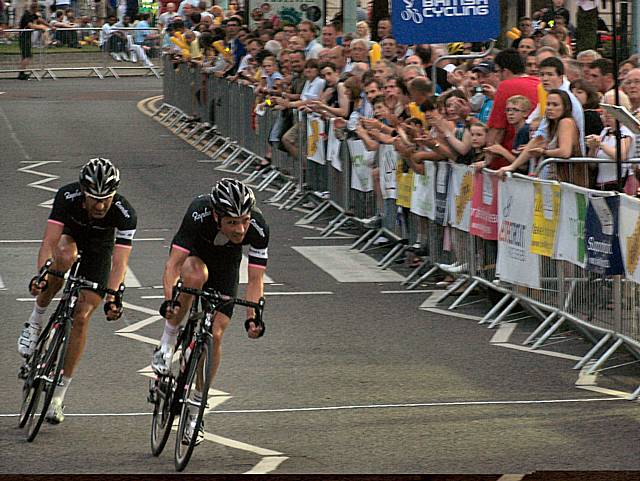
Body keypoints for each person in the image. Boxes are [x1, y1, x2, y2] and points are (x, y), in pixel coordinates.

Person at [18, 158, 136, 424]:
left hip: (99, 251)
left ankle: (58, 397)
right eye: (94, 198)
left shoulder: (124, 212)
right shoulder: (66, 196)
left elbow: (120, 262)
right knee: (62, 256)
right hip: (70, 239)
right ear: (83, 191)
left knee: (82, 317)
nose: (101, 204)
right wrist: (42, 274)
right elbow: (48, 242)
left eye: (106, 198)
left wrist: (114, 296)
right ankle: (35, 322)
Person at [151, 179, 268, 442]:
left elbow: (255, 280)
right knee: (194, 276)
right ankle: (167, 344)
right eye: (232, 222)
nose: (240, 229)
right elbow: (172, 265)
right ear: (216, 216)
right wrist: (170, 302)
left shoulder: (258, 228)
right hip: (195, 257)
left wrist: (252, 318)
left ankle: (196, 412)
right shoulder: (199, 212)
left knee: (215, 334)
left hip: (226, 266)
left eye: (245, 220)